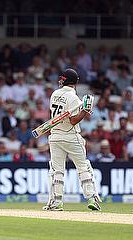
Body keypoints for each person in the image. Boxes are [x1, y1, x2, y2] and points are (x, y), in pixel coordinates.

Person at [44, 68, 101, 211]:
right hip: (71, 136)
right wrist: (84, 110)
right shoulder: (74, 98)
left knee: (56, 170)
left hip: (55, 136)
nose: (60, 81)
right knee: (83, 167)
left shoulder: (54, 94)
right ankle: (92, 198)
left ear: (65, 80)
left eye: (62, 79)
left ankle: (56, 203)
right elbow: (73, 121)